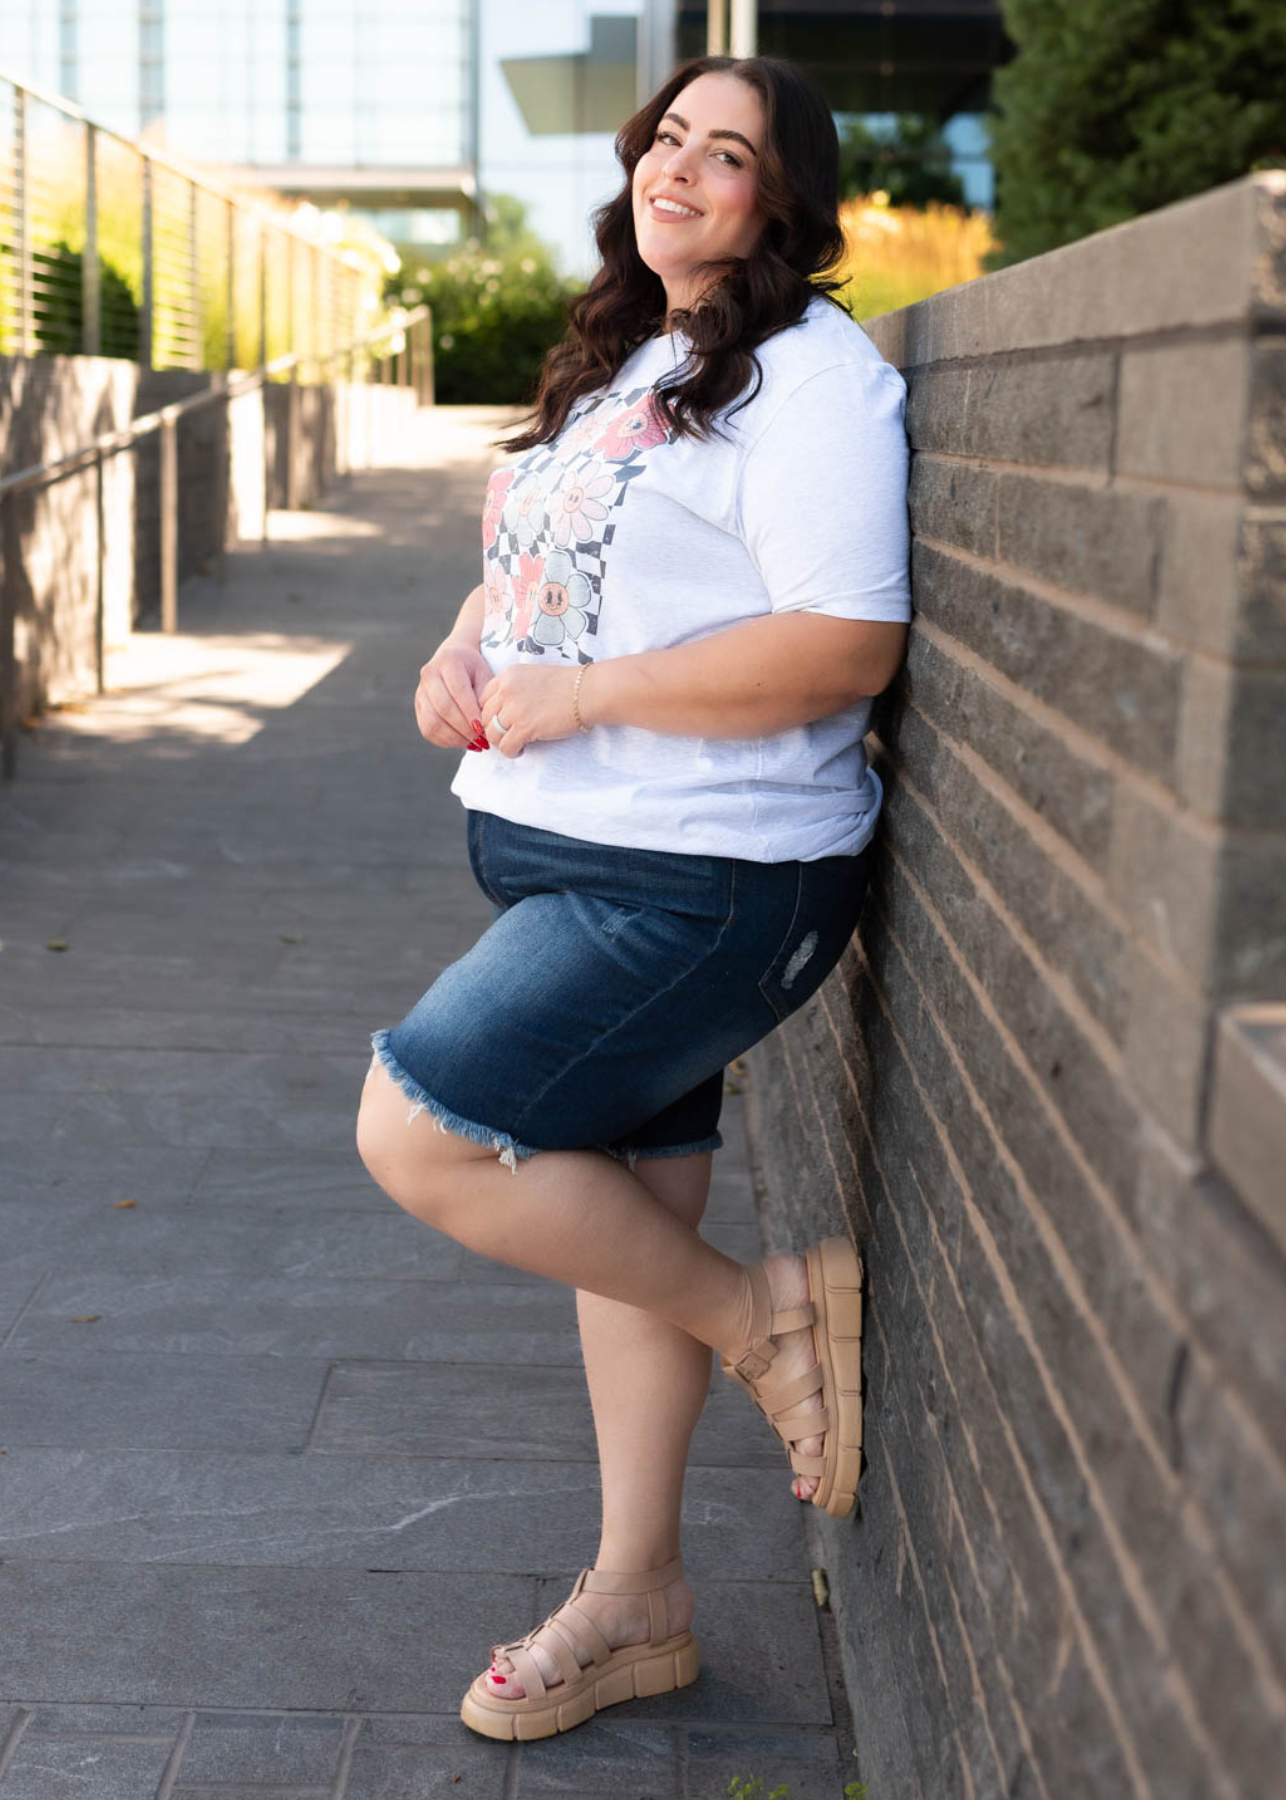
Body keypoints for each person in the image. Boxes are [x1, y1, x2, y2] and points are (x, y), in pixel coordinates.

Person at [356, 53, 910, 1744]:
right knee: (625, 1229)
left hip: (709, 880)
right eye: (670, 136)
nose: (681, 167)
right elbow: (535, 564)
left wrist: (586, 702)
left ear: (782, 201)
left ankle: (770, 1326)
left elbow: (843, 640)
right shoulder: (636, 360)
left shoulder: (812, 382)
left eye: (725, 153)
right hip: (575, 848)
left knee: (422, 1129)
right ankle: (639, 1598)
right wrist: (465, 648)